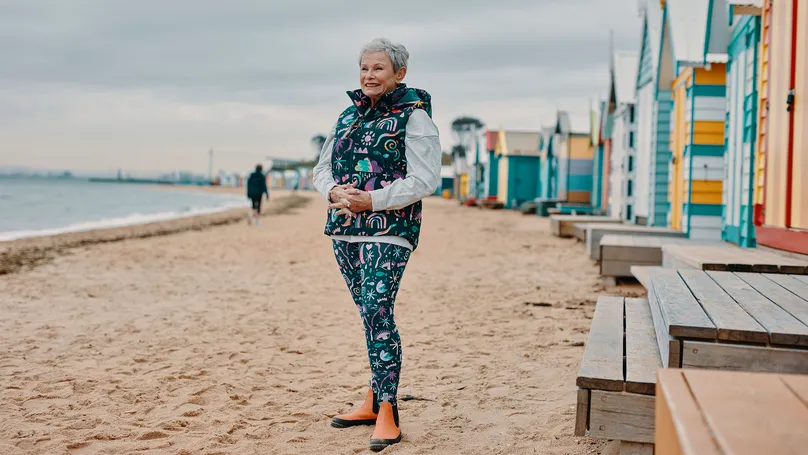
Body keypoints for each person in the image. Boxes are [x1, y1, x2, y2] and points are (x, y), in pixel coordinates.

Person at [312, 37, 441, 451]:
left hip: (390, 230)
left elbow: (425, 180)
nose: (369, 75)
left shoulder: (414, 117)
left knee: (377, 309)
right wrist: (333, 191)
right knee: (369, 316)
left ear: (399, 74)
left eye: (378, 69)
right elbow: (321, 169)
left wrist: (374, 199)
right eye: (364, 68)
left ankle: (388, 408)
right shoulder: (346, 115)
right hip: (344, 230)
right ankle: (371, 399)